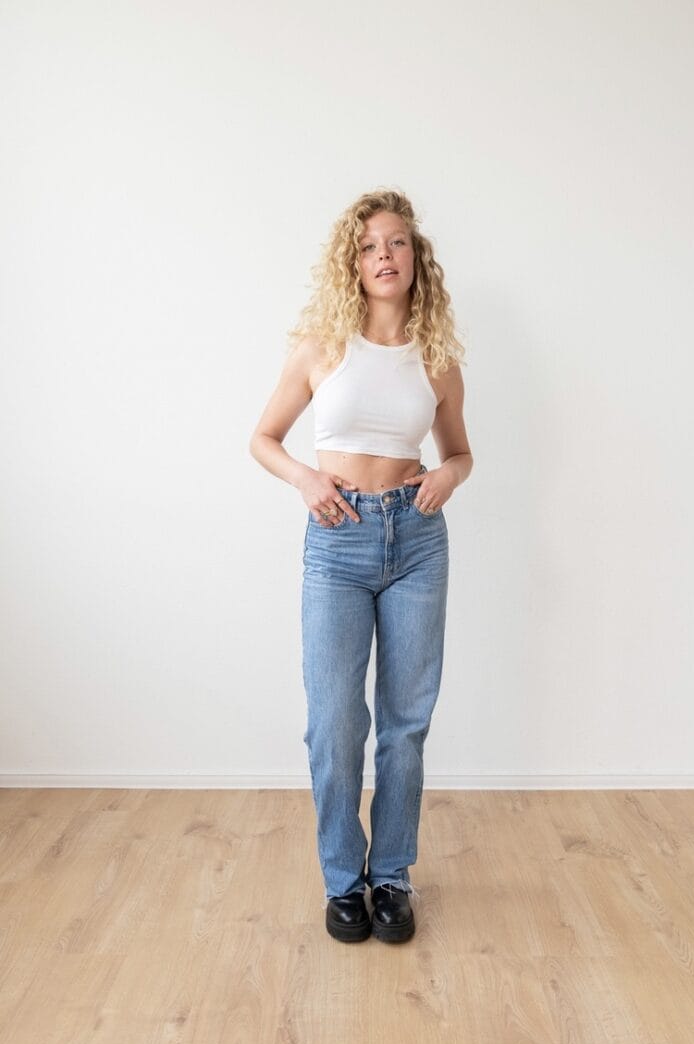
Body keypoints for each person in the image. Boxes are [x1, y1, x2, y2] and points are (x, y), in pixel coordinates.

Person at [249, 188, 473, 944]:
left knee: (405, 725)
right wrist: (306, 479)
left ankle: (392, 877)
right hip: (338, 540)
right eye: (371, 245)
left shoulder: (436, 359)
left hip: (417, 540)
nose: (385, 255)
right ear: (353, 261)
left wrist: (448, 476)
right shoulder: (322, 348)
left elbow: (460, 453)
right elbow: (264, 438)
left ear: (416, 258)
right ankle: (343, 879)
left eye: (398, 242)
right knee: (335, 724)